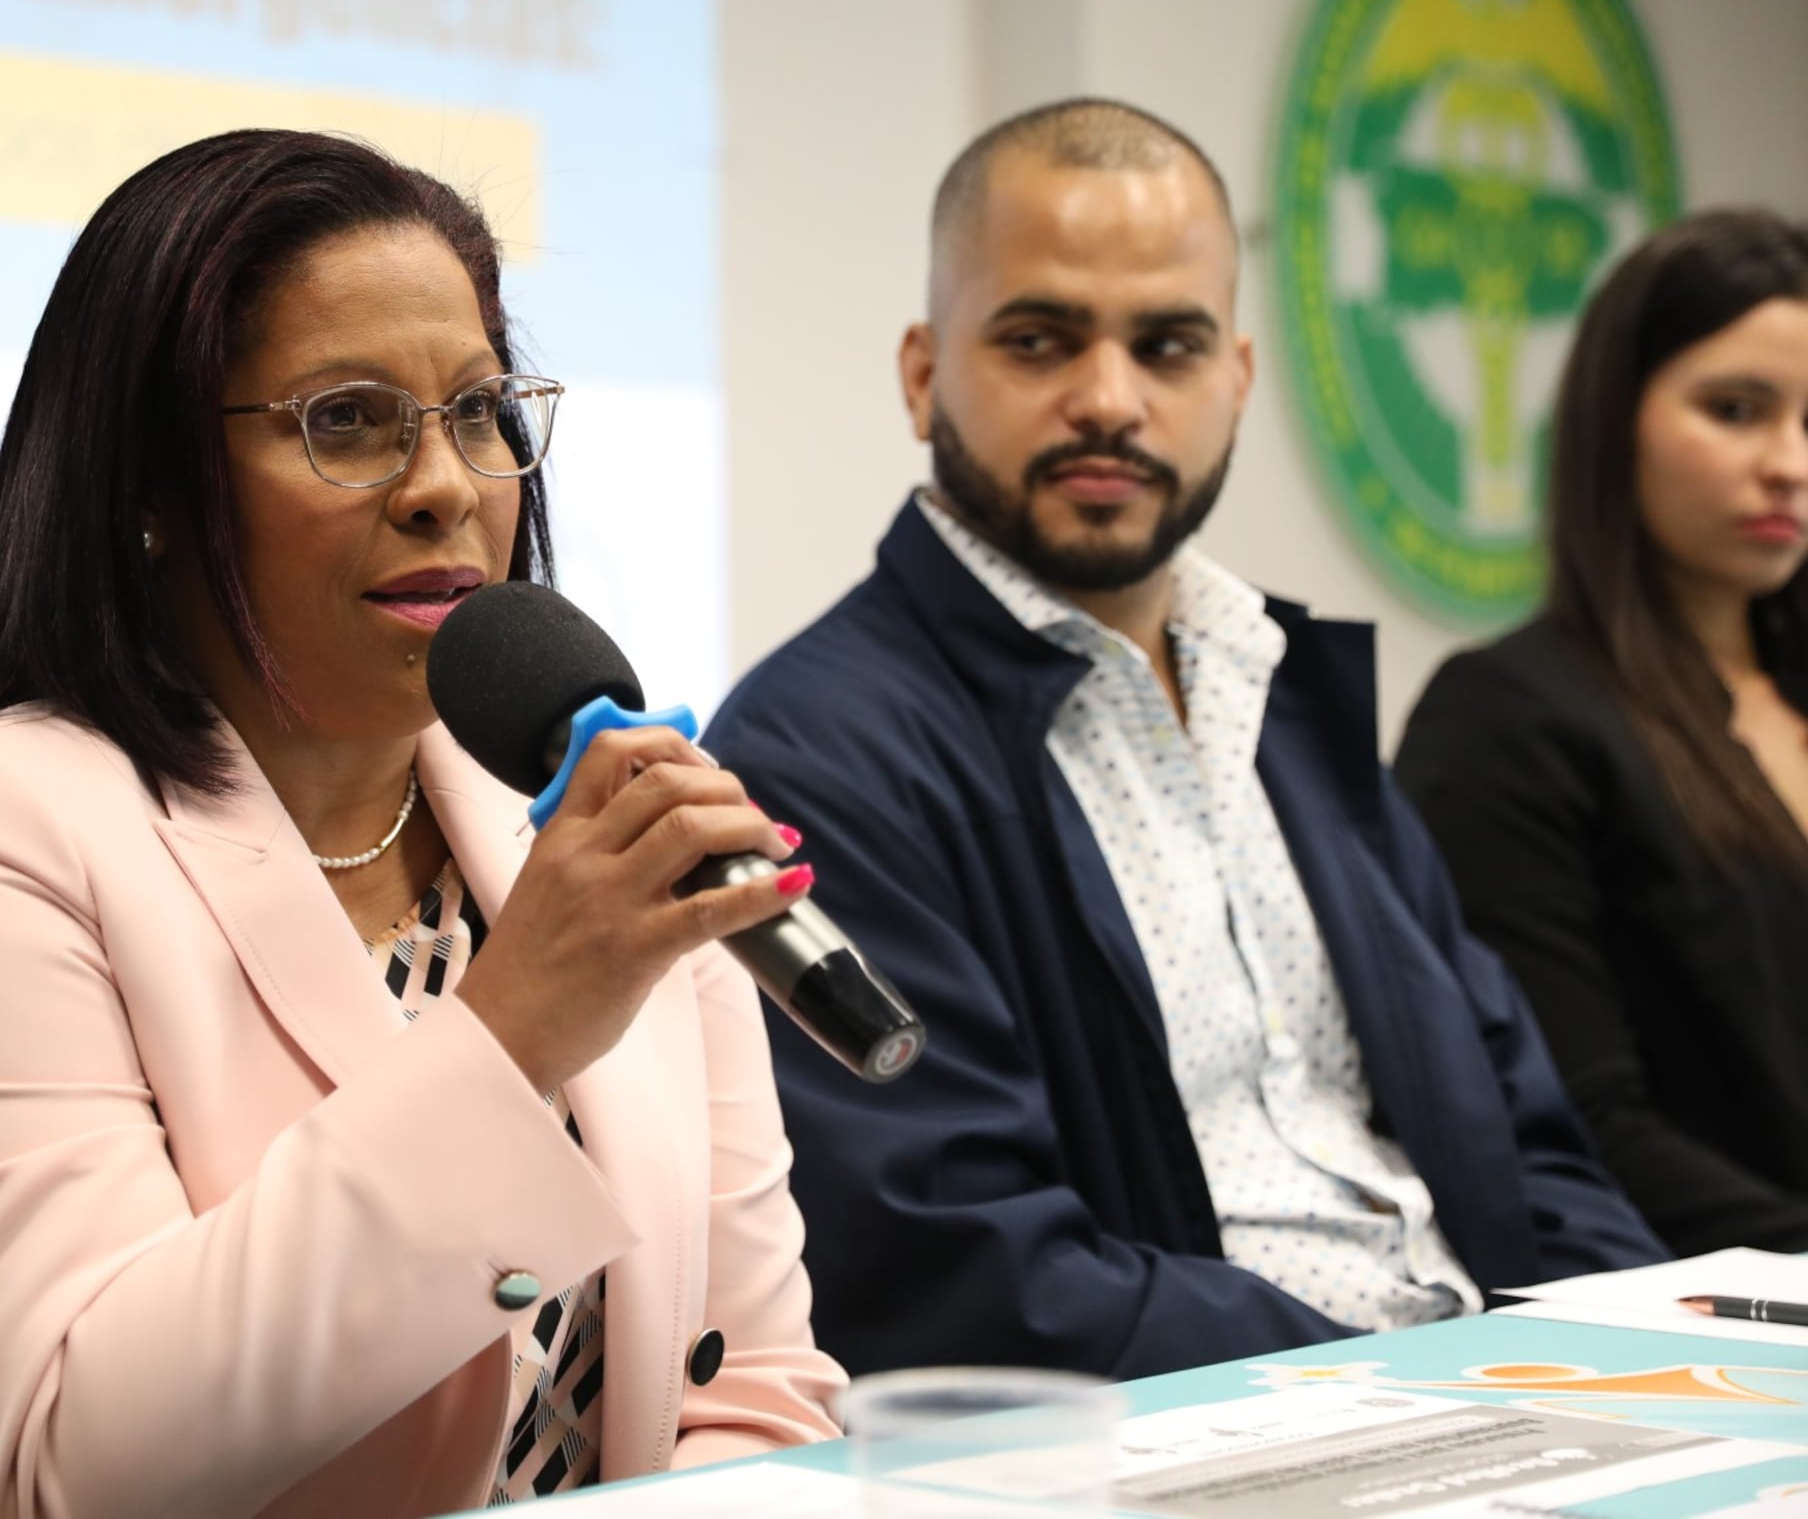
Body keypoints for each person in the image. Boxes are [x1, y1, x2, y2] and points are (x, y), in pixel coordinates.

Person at [0, 130, 842, 1519]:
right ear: (149, 486)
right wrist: (513, 1030)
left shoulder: (580, 835)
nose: (448, 482)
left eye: (480, 411)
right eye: (348, 419)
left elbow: (752, 1390)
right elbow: (72, 1462)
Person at [703, 97, 1665, 1383]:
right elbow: (961, 1271)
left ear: (1237, 380)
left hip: (1496, 1407)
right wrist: (1420, 1391)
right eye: (1040, 341)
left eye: (1167, 346)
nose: (1109, 401)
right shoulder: (816, 754)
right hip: (1205, 1451)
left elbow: (1530, 1146)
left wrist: (1642, 1364)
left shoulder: (1286, 694)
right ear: (924, 372)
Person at [1397, 209, 1808, 1258]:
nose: (1787, 464)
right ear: (1612, 419)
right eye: (1735, 409)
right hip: (1695, 1323)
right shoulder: (1508, 719)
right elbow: (1579, 1127)